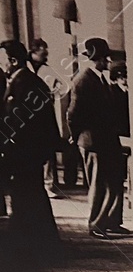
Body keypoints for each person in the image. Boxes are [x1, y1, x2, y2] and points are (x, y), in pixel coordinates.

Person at [0, 39, 61, 257]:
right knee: (28, 194)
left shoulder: (25, 83)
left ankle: (34, 245)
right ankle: (38, 242)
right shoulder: (22, 80)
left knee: (27, 194)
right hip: (27, 151)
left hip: (26, 152)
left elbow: (18, 121)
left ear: (13, 61)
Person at [66, 38, 125, 238]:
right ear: (95, 59)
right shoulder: (83, 79)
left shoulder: (100, 77)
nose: (108, 62)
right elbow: (72, 114)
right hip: (93, 141)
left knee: (115, 180)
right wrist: (77, 136)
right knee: (99, 183)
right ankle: (96, 225)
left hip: (107, 139)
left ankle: (112, 221)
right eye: (105, 58)